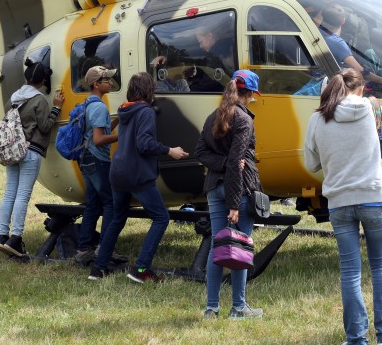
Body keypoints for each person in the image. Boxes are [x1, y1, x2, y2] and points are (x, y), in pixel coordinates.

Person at [304, 69, 382, 345]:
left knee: (350, 270)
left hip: (339, 201)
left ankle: (355, 338)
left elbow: (311, 164)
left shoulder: (318, 118)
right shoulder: (372, 109)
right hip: (374, 196)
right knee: (380, 265)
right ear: (360, 89)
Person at [88, 72, 189, 281]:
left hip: (118, 173)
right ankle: (141, 269)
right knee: (161, 218)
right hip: (136, 175)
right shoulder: (146, 112)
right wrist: (170, 150)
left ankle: (98, 268)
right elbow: (144, 144)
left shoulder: (125, 110)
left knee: (117, 218)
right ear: (148, 90)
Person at [195, 69, 264, 320]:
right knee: (240, 248)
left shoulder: (213, 116)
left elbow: (199, 153)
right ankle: (238, 308)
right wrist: (235, 203)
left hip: (214, 187)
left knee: (217, 247)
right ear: (248, 94)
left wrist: (221, 162)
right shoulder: (244, 120)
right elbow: (236, 163)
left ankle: (211, 309)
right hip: (239, 189)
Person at [0, 59, 65, 257]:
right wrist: (56, 108)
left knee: (9, 193)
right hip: (31, 150)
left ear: (26, 77)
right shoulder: (40, 99)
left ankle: (2, 236)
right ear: (43, 80)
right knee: (22, 195)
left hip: (12, 150)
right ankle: (15, 239)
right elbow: (44, 127)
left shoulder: (13, 99)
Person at [74, 66, 126, 266]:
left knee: (92, 204)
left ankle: (83, 249)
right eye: (107, 80)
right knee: (110, 203)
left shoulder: (90, 103)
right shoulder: (99, 107)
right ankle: (105, 248)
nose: (111, 83)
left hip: (86, 160)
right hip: (97, 160)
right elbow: (98, 139)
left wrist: (118, 120)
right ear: (97, 84)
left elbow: (99, 131)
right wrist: (121, 136)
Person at [318, 3, 382, 87]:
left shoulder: (319, 33)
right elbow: (361, 71)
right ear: (343, 21)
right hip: (328, 83)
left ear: (323, 18)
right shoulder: (337, 43)